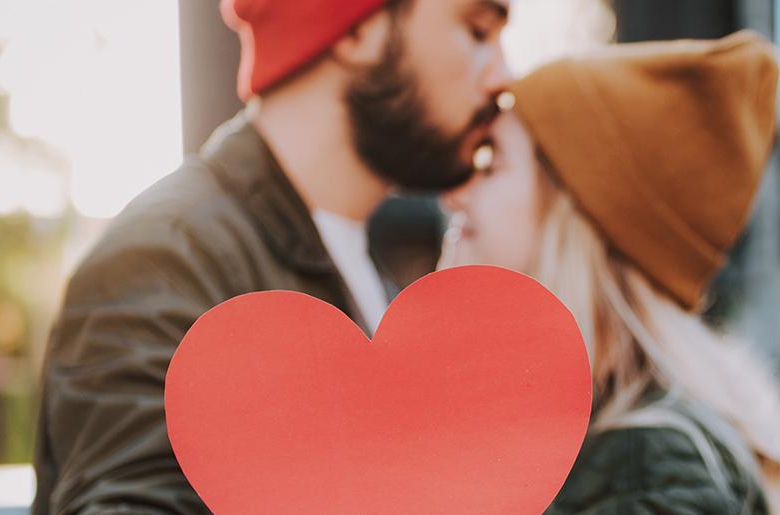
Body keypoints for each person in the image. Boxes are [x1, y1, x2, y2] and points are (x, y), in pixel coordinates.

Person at [32, 0, 512, 512]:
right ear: (359, 31)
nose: (504, 76)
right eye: (478, 30)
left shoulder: (371, 276)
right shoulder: (166, 261)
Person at [438, 31, 780, 514]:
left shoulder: (646, 464)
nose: (455, 195)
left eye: (492, 163)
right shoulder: (624, 444)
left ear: (573, 214)